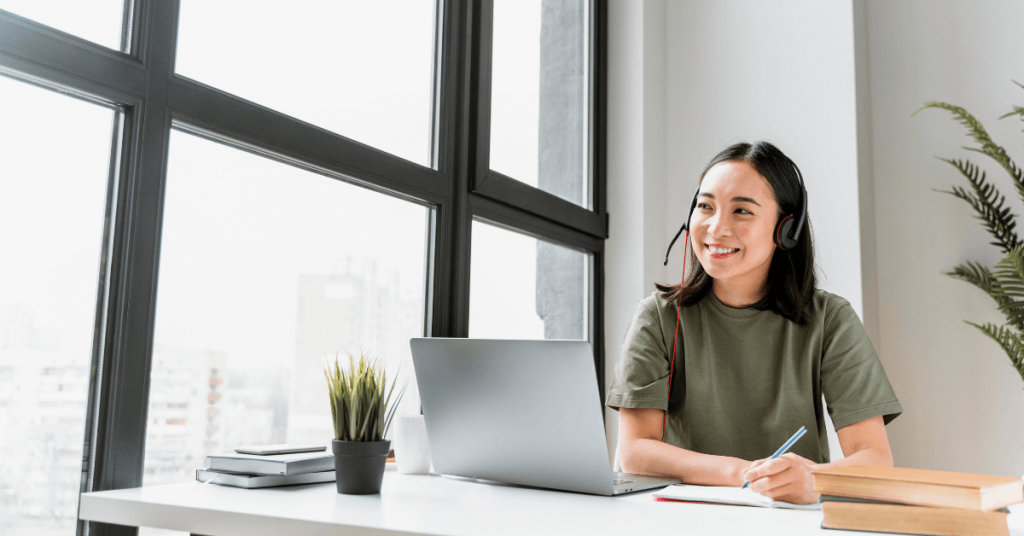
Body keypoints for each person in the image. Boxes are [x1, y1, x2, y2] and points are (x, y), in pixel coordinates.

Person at [606, 141, 902, 505]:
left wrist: (816, 479)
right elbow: (635, 451)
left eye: (742, 211)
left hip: (789, 519)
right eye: (705, 206)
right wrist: (744, 474)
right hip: (683, 519)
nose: (716, 227)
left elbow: (876, 459)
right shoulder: (659, 316)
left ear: (786, 230)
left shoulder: (830, 320)